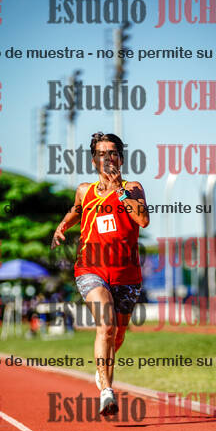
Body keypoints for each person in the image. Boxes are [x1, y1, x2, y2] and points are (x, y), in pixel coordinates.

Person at [51, 132, 150, 415]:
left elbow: (143, 219)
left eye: (113, 153)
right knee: (106, 326)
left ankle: (102, 370)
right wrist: (62, 225)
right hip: (90, 269)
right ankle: (107, 391)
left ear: (121, 158)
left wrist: (119, 190)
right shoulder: (85, 191)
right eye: (101, 154)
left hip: (127, 275)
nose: (108, 159)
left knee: (117, 335)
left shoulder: (133, 188)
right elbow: (76, 210)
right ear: (94, 160)